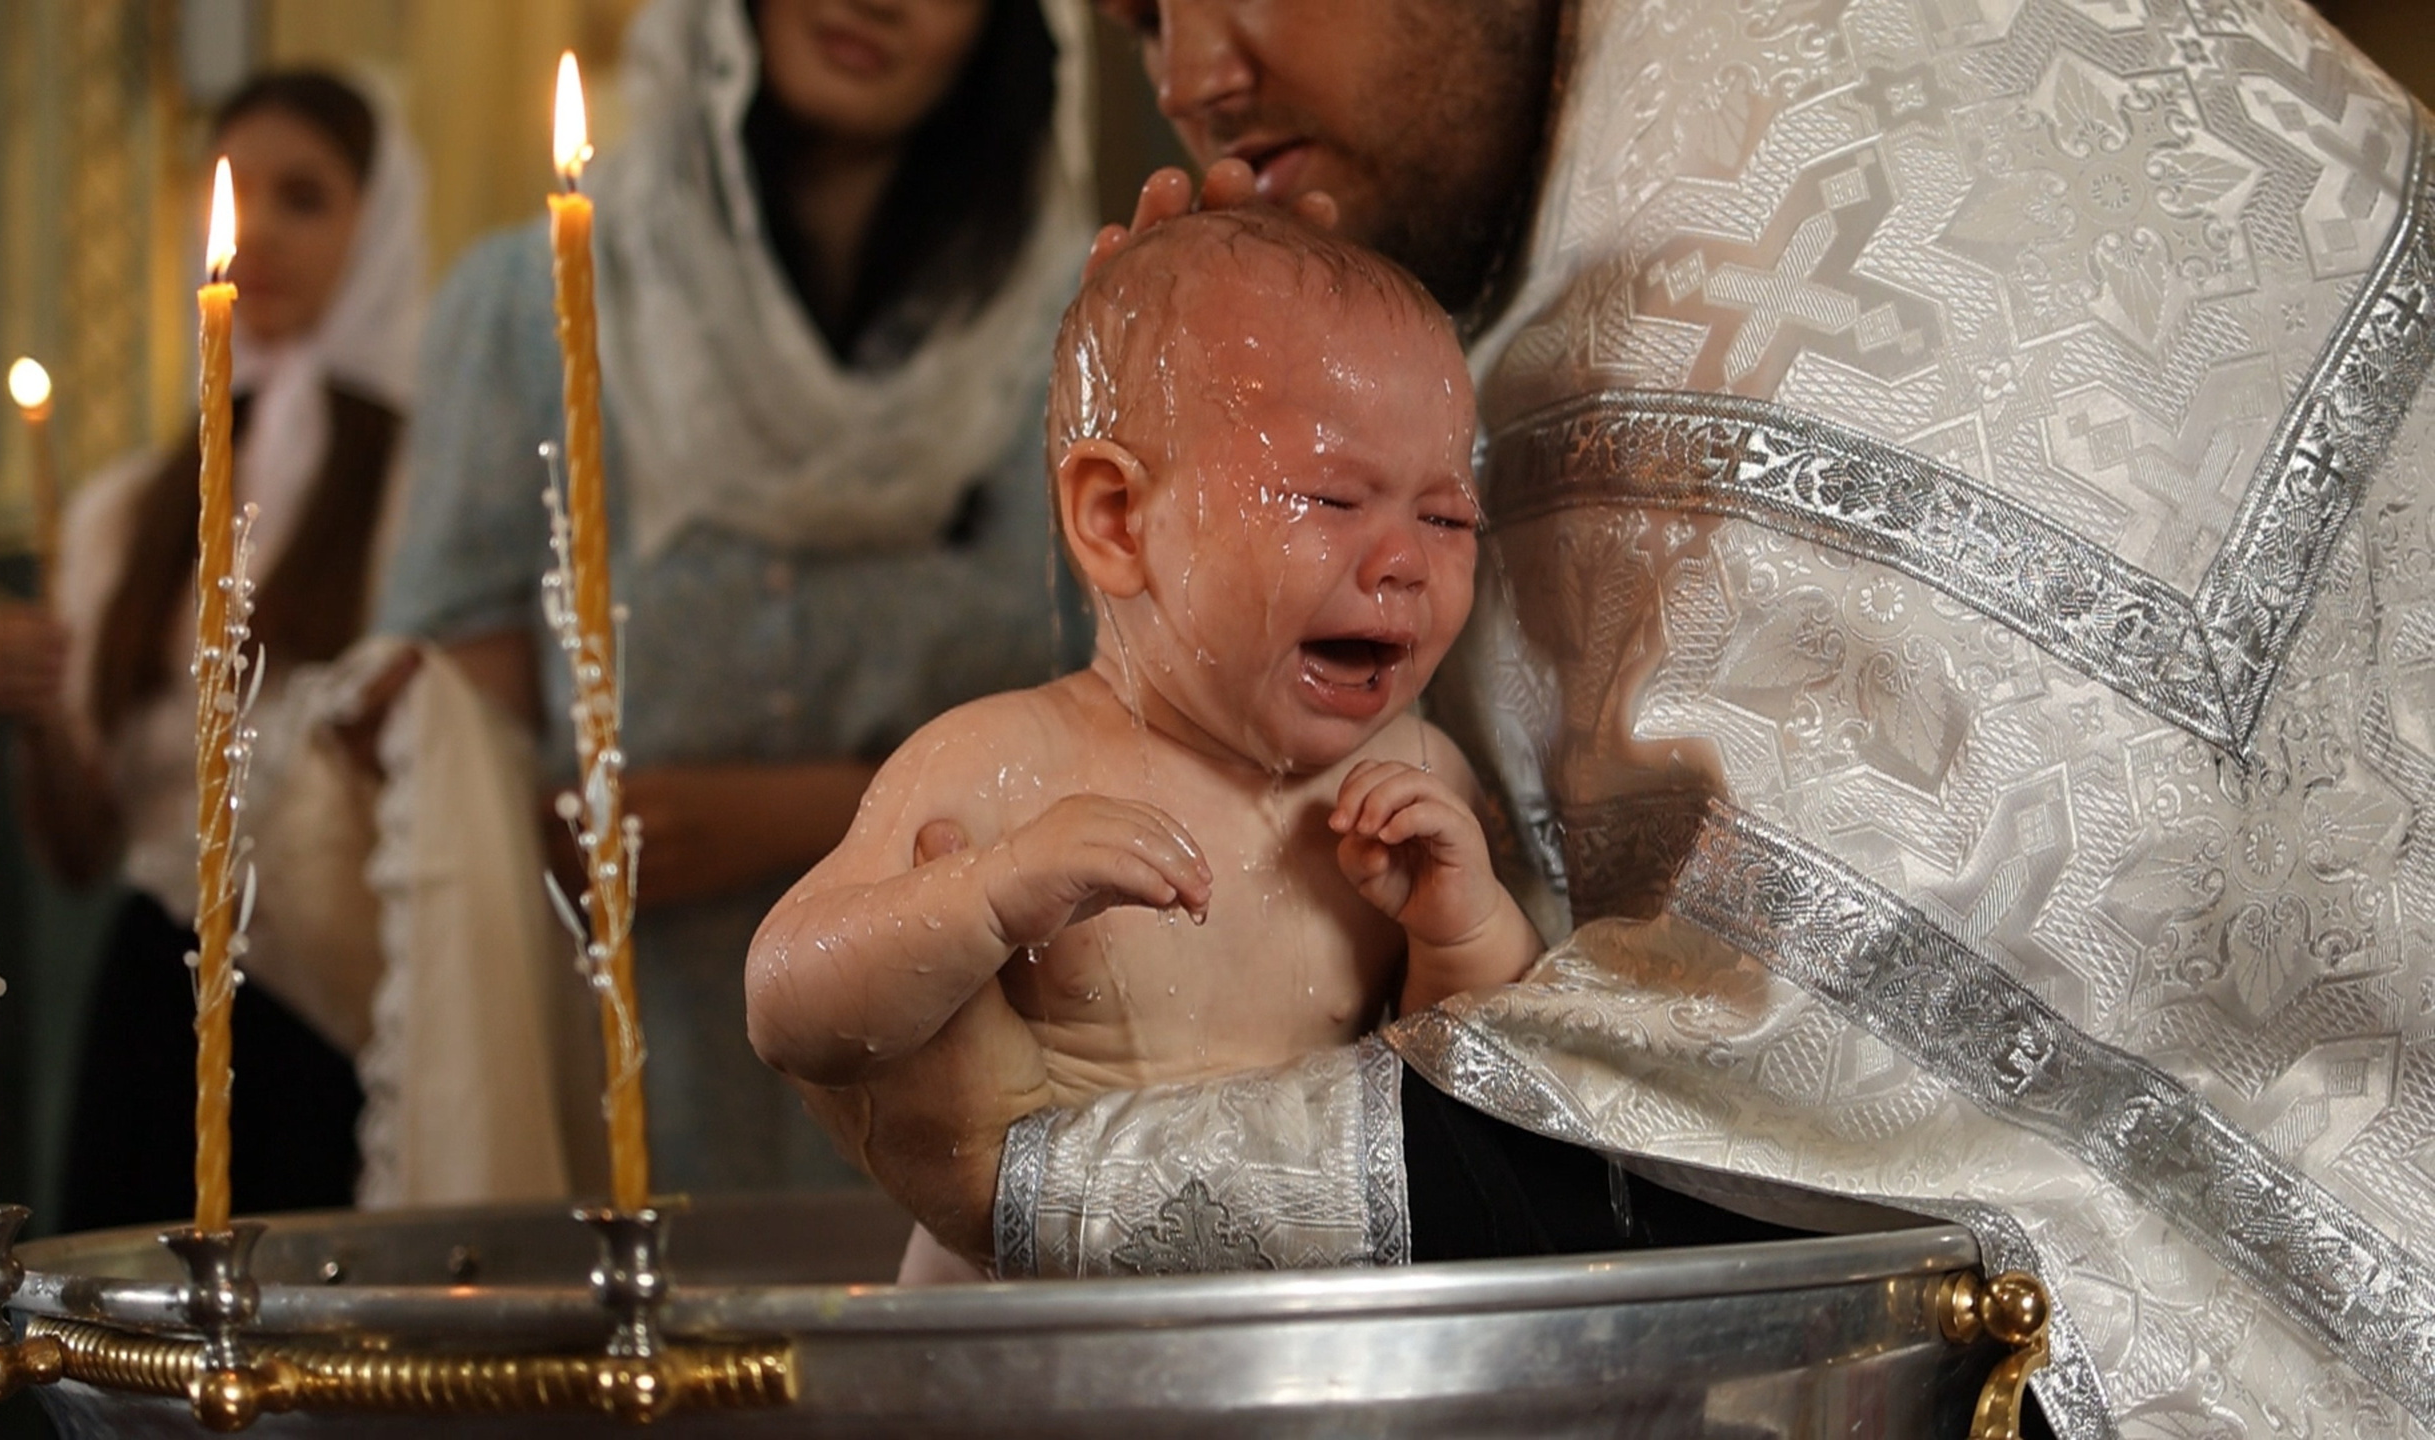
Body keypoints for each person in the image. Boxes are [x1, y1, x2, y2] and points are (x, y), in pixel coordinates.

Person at [811, 1, 2435, 1433]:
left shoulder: (1813, 111)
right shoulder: (1580, 198)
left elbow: (1789, 1100)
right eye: (1136, 22)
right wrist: (1197, 488)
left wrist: (1044, 1186)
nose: (1194, 77)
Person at [378, 0, 1095, 1195]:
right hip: (621, 1045)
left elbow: (1145, 700)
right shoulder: (525, 304)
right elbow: (469, 715)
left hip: (980, 1083)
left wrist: (805, 815)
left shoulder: (1079, 324)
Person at [750, 210, 1542, 1277]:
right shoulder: (999, 765)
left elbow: (1471, 1094)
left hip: (1300, 1340)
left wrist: (1463, 935)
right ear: (1118, 519)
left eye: (1447, 519)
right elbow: (786, 1000)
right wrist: (983, 900)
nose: (1403, 560)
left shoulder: (1416, 777)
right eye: (1328, 497)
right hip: (1031, 1341)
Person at [0, 69, 427, 1230]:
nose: (260, 231)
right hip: (157, 995)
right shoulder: (126, 512)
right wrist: (31, 713)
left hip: (347, 999)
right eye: (233, 193)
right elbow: (84, 850)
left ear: (379, 226)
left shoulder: (427, 491)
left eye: (306, 196)